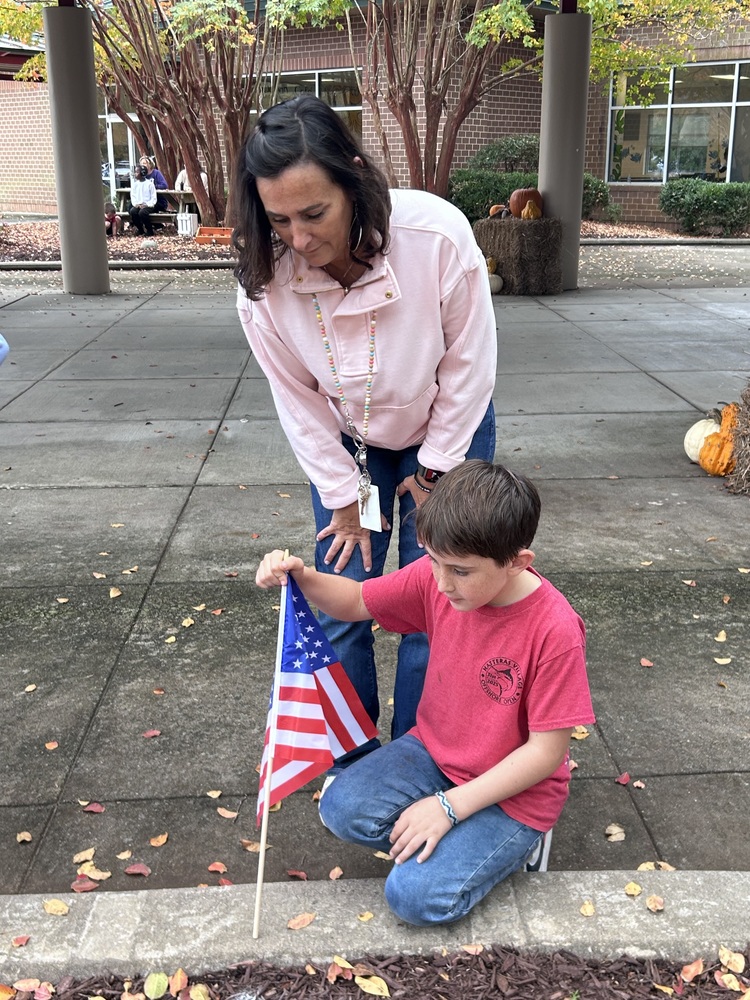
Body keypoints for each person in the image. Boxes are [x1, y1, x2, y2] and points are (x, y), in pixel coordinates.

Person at [234, 94, 497, 745]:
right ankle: (354, 756)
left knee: (437, 603)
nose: (299, 238)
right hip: (351, 448)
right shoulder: (263, 278)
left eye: (315, 213)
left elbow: (470, 364)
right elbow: (295, 397)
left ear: (353, 177)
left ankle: (420, 751)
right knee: (342, 594)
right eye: (279, 219)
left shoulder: (434, 235)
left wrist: (435, 472)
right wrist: (343, 500)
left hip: (447, 428)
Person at [256, 461, 595, 926]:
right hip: (435, 752)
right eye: (432, 560)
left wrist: (449, 807)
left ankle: (516, 846)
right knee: (340, 807)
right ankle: (464, 837)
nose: (441, 582)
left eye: (460, 570)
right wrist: (299, 577)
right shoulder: (439, 576)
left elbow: (546, 753)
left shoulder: (555, 630)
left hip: (517, 793)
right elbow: (357, 601)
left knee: (414, 898)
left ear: (519, 562)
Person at [128, 164, 157, 236]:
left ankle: (149, 230)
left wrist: (146, 205)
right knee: (133, 211)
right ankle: (140, 229)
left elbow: (153, 198)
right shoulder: (135, 185)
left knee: (142, 213)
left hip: (148, 205)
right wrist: (136, 204)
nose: (135, 174)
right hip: (138, 205)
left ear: (142, 173)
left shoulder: (150, 184)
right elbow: (133, 196)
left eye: (137, 172)